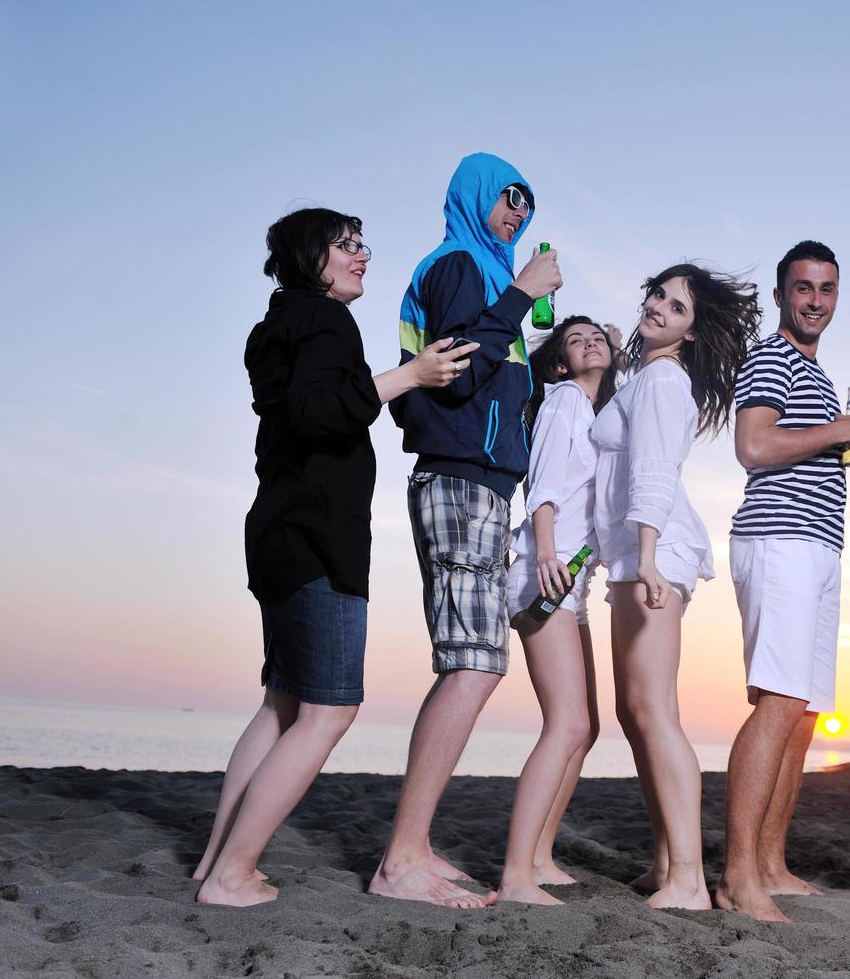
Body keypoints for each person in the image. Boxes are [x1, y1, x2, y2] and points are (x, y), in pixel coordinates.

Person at [193, 208, 478, 907]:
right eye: (344, 245)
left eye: (360, 243)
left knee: (283, 706)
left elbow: (301, 409)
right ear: (307, 258)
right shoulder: (323, 321)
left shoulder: (277, 324)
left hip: (278, 531)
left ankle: (213, 863)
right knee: (330, 710)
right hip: (317, 537)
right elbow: (322, 411)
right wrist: (408, 374)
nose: (361, 256)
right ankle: (232, 876)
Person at [369, 153, 562, 909]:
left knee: (473, 660)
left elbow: (490, 376)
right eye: (509, 197)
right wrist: (519, 295)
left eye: (528, 204)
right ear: (476, 195)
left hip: (481, 484)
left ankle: (411, 847)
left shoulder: (485, 277)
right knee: (473, 663)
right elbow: (450, 372)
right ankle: (401, 859)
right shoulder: (458, 266)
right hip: (457, 479)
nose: (519, 212)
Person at [592, 263, 760, 910]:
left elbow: (655, 470)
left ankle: (690, 878)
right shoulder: (646, 377)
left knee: (653, 710)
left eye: (677, 307)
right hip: (638, 550)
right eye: (658, 295)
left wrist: (651, 559)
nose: (660, 307)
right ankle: (667, 861)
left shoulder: (664, 380)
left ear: (690, 332)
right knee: (636, 713)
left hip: (654, 551)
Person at [715, 241, 850, 923]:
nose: (815, 300)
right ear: (782, 294)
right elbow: (753, 445)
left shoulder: (813, 368)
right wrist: (838, 431)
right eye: (803, 287)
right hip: (778, 542)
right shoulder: (771, 356)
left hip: (817, 547)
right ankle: (737, 876)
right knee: (778, 704)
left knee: (804, 717)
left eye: (827, 289)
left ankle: (771, 864)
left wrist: (834, 435)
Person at [495, 316, 619, 905]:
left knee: (585, 726)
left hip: (574, 578)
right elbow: (541, 484)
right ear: (560, 363)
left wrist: (613, 343)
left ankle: (541, 855)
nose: (591, 341)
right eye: (575, 339)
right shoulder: (564, 399)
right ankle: (517, 873)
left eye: (598, 336)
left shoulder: (600, 413)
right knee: (567, 723)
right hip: (545, 570)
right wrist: (546, 552)